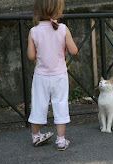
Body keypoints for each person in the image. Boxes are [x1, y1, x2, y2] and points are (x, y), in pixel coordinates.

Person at [27, 0, 78, 150]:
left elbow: (31, 56)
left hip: (41, 76)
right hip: (59, 75)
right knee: (60, 103)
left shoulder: (34, 31)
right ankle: (61, 140)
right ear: (57, 10)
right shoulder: (62, 29)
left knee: (38, 103)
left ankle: (36, 136)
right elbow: (74, 50)